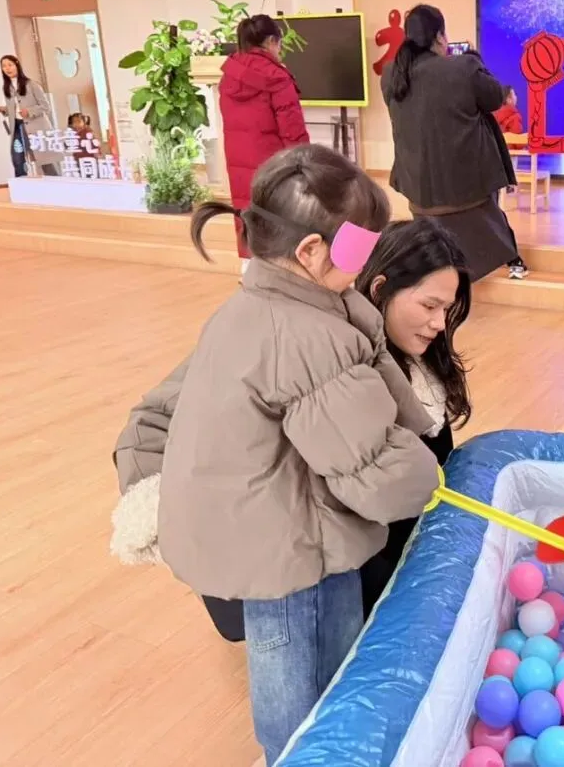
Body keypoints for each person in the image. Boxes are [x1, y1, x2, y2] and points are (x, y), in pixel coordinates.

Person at [159, 144, 440, 765]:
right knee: (302, 683)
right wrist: (434, 480)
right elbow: (370, 472)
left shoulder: (263, 305)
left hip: (267, 530)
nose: (368, 260)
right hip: (288, 551)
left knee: (310, 664)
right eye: (360, 248)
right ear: (312, 252)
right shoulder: (304, 338)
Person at [110, 219, 473, 634]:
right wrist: (182, 515)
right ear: (379, 289)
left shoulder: (417, 371)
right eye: (429, 306)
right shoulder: (291, 343)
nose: (440, 323)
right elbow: (151, 422)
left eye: (448, 310)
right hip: (270, 556)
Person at [382, 4, 528, 281]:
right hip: (467, 184)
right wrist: (475, 60)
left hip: (417, 186)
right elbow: (495, 98)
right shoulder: (463, 67)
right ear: (440, 36)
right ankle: (510, 258)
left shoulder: (391, 74)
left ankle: (445, 267)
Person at [219, 14, 310, 270]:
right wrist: (305, 166)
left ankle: (249, 271)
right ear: (271, 41)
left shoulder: (229, 75)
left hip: (238, 164)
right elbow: (293, 132)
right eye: (279, 43)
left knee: (247, 215)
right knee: (280, 221)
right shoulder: (277, 77)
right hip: (275, 166)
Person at [0, 55, 53, 177]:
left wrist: (29, 111)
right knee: (18, 159)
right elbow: (13, 109)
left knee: (45, 161)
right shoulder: (7, 87)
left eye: (10, 65)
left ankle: (57, 184)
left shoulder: (32, 84)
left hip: (35, 127)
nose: (7, 68)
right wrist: (0, 109)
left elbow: (46, 106)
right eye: (4, 66)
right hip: (17, 127)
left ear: (17, 65)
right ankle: (22, 185)